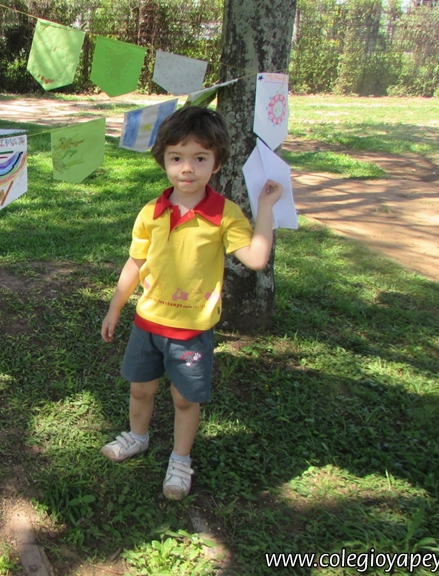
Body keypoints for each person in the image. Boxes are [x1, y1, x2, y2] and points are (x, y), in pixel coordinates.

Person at [99, 106, 283, 500]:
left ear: (217, 163)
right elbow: (135, 262)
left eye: (200, 158)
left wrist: (266, 209)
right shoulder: (150, 213)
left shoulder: (225, 215)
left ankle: (180, 459)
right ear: (163, 160)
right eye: (176, 158)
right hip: (147, 324)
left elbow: (255, 258)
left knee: (185, 399)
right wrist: (115, 307)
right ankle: (137, 436)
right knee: (140, 389)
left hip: (192, 331)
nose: (187, 168)